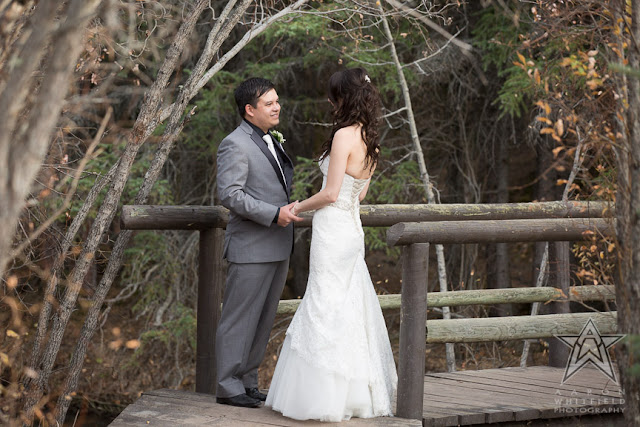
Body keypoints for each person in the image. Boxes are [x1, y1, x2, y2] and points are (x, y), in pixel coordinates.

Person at [266, 68, 397, 421]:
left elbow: (330, 193)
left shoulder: (343, 136)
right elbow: (359, 193)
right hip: (352, 230)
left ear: (344, 98)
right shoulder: (371, 140)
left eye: (333, 95)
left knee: (325, 303)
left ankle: (323, 397)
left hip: (333, 230)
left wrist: (296, 207)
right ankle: (351, 394)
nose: (329, 101)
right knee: (346, 305)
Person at [215, 77, 301, 408]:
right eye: (269, 103)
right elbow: (230, 195)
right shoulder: (234, 143)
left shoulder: (269, 139)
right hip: (251, 246)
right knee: (239, 319)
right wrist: (273, 214)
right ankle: (227, 386)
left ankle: (248, 381)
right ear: (249, 110)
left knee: (263, 320)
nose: (277, 107)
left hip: (277, 245)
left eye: (277, 101)